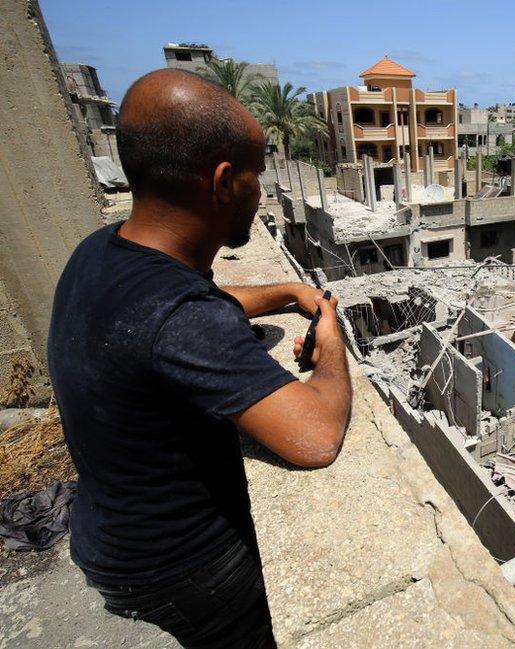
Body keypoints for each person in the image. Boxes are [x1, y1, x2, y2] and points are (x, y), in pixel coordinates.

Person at [47, 69, 352, 648]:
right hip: (184, 570)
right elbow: (315, 437)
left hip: (107, 533)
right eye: (257, 174)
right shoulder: (181, 317)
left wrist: (288, 293)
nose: (260, 189)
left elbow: (205, 304)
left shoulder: (103, 254)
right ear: (223, 181)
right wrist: (330, 342)